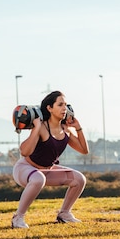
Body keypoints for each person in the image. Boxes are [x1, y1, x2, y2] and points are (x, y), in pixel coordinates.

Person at [11, 91, 89, 228]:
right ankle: (18, 218)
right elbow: (24, 151)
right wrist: (36, 129)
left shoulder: (65, 129)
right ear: (49, 108)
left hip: (47, 170)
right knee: (38, 179)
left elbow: (84, 150)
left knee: (79, 179)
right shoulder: (42, 127)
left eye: (65, 105)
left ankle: (64, 213)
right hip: (25, 169)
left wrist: (78, 128)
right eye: (60, 105)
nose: (64, 108)